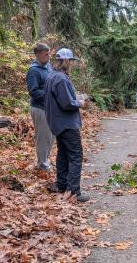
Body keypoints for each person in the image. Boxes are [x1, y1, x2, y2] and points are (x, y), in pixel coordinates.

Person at [44, 48, 89, 202]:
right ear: (65, 61)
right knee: (76, 155)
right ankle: (74, 192)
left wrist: (74, 98)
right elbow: (67, 103)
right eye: (70, 61)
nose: (72, 64)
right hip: (66, 123)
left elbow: (61, 98)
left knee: (63, 154)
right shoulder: (61, 79)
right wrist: (80, 102)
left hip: (57, 123)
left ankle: (62, 185)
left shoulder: (52, 76)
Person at [26, 43, 55, 171]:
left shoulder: (48, 67)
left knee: (51, 136)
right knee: (43, 137)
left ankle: (46, 160)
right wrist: (50, 94)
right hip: (39, 108)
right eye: (45, 54)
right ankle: (42, 165)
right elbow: (33, 92)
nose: (48, 57)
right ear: (37, 55)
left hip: (50, 108)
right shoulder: (33, 70)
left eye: (49, 54)